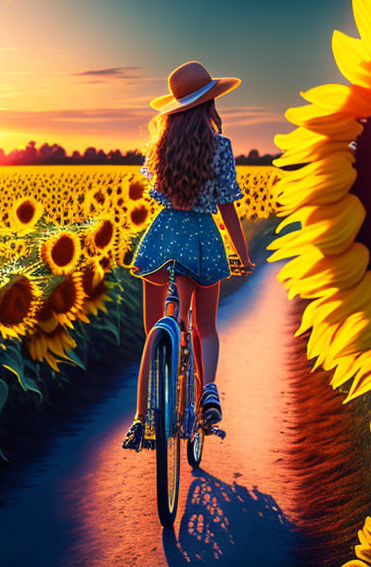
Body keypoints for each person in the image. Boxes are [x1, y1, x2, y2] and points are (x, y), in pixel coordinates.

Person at [122, 60, 255, 452]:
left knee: (154, 332)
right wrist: (243, 254)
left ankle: (140, 419)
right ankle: (208, 389)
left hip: (163, 237)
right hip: (203, 240)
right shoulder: (222, 148)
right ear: (209, 106)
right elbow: (228, 205)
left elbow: (154, 196)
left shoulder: (160, 147)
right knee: (205, 327)